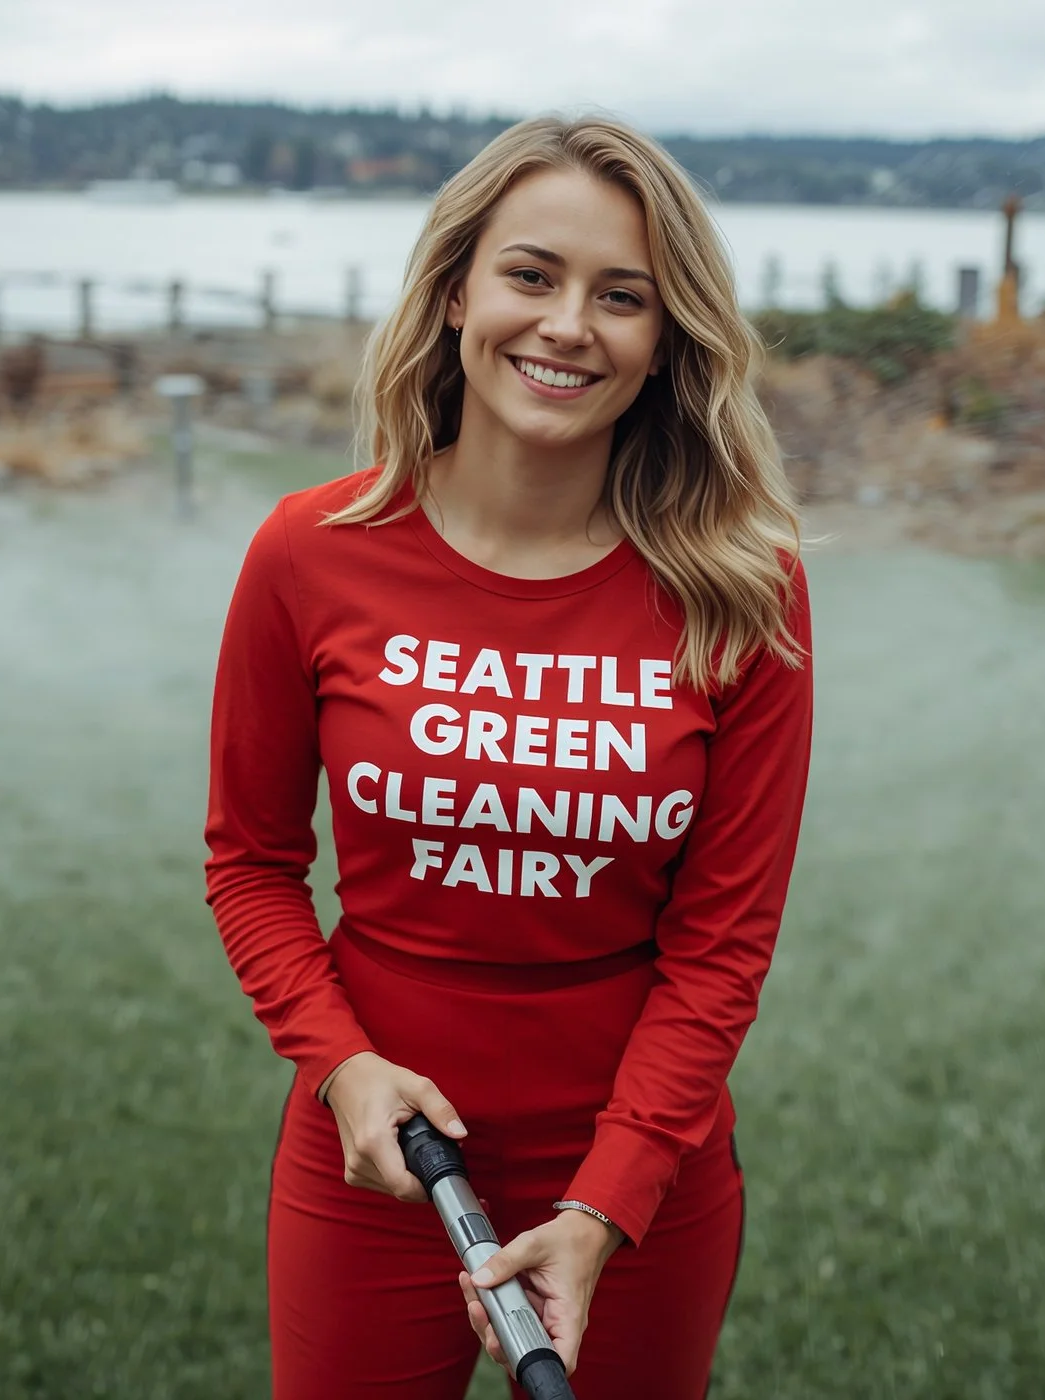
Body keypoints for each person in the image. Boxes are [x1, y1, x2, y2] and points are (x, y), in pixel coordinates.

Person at [203, 113, 815, 1400]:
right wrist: (340, 1063)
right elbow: (252, 863)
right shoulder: (307, 552)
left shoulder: (742, 591)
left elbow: (723, 943)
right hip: (377, 1153)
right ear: (454, 296)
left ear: (666, 343)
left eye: (622, 297)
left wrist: (608, 1200)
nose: (566, 324)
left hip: (641, 1175)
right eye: (530, 275)